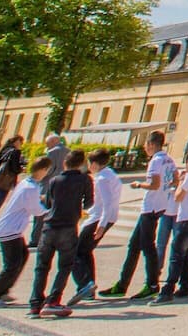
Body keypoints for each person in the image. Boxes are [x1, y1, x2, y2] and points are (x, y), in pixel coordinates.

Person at [102, 132, 173, 300]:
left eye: (145, 144)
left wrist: (139, 184)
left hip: (151, 207)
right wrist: (165, 189)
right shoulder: (169, 159)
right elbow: (175, 179)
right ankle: (122, 284)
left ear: (151, 144)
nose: (144, 147)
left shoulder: (155, 161)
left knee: (147, 247)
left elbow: (154, 184)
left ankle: (152, 284)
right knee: (134, 246)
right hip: (160, 205)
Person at [0, 157, 52, 309]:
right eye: (47, 170)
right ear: (42, 170)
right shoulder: (30, 188)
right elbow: (36, 210)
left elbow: (30, 200)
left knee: (22, 257)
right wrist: (52, 212)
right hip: (10, 230)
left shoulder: (27, 183)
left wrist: (42, 198)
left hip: (12, 229)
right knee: (11, 265)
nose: (47, 173)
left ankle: (3, 290)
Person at [30, 150, 92, 318]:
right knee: (65, 266)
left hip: (49, 226)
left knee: (41, 267)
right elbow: (89, 202)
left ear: (65, 163)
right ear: (81, 164)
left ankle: (35, 304)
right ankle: (53, 300)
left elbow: (49, 203)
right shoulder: (85, 179)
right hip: (68, 227)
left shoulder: (54, 180)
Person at [151, 149, 188, 306]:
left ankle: (168, 289)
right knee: (183, 252)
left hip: (185, 217)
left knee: (176, 253)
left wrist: (179, 185)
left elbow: (178, 197)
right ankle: (186, 285)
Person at [68, 149, 120, 306]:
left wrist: (102, 225)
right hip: (103, 217)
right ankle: (88, 286)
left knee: (75, 253)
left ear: (95, 164)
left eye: (90, 163)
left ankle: (85, 284)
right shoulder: (110, 174)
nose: (89, 166)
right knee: (85, 252)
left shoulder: (102, 178)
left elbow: (107, 202)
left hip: (98, 219)